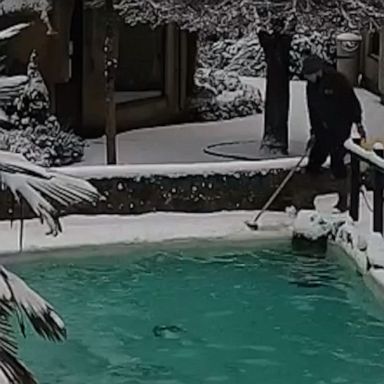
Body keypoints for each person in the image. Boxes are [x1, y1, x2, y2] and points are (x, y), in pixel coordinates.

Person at [302, 55, 366, 180]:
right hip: (322, 125)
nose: (307, 78)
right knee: (317, 152)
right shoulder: (311, 86)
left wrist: (358, 122)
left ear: (317, 72)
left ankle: (341, 183)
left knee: (336, 153)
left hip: (340, 124)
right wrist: (314, 131)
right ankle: (312, 179)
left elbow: (351, 101)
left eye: (309, 75)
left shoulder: (337, 80)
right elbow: (312, 110)